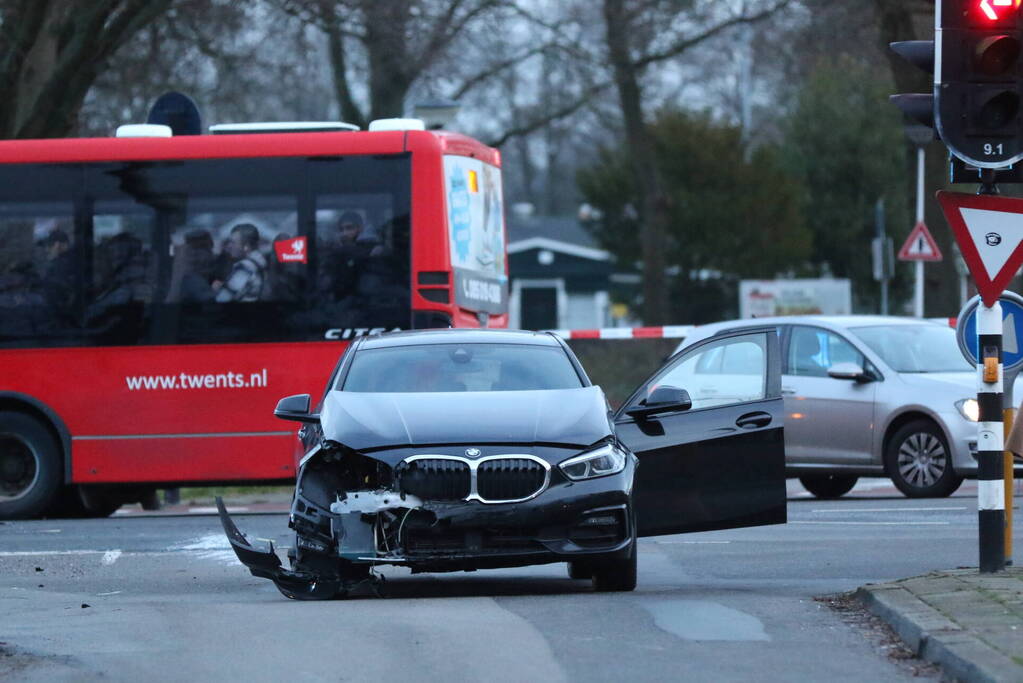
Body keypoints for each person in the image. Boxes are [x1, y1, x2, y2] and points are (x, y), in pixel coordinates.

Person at [214, 223, 266, 302]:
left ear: (246, 246)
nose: (229, 246)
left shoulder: (246, 266)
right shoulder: (259, 261)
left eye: (233, 242)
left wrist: (215, 290)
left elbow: (223, 299)